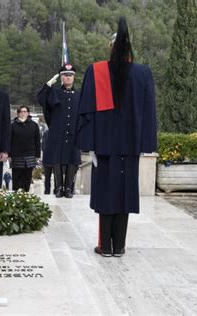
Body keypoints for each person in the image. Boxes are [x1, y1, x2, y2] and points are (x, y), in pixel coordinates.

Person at [77, 17, 157, 257]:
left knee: (106, 195)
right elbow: (149, 113)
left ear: (111, 47)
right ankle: (119, 246)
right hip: (130, 146)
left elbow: (86, 111)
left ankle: (105, 246)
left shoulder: (97, 71)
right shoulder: (143, 73)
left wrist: (89, 146)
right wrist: (145, 145)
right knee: (124, 195)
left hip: (104, 146)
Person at [37, 64, 81, 198]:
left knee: (72, 160)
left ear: (74, 77)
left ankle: (68, 188)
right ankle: (58, 187)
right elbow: (41, 99)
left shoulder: (79, 94)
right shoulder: (55, 92)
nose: (68, 77)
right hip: (58, 131)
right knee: (57, 160)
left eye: (70, 75)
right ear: (61, 77)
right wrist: (48, 84)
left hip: (73, 132)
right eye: (65, 75)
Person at [10, 106, 41, 192]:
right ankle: (15, 197)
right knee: (16, 178)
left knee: (27, 179)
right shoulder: (13, 125)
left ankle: (26, 196)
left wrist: (38, 155)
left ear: (28, 113)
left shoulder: (34, 125)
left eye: (25, 111)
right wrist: (9, 154)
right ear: (18, 113)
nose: (23, 113)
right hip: (16, 156)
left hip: (30, 155)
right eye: (21, 111)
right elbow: (9, 140)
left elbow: (37, 141)